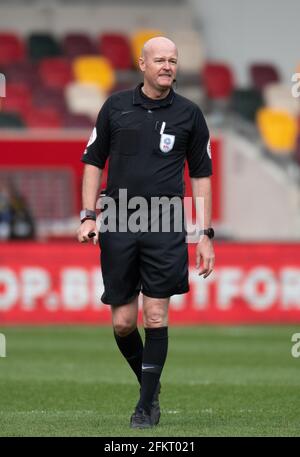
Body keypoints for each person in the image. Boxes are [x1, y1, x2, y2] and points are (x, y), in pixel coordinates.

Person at [77, 36, 215, 429]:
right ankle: (150, 388)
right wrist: (89, 215)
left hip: (165, 221)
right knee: (123, 323)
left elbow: (201, 175)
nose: (167, 66)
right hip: (119, 217)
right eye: (160, 60)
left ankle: (144, 408)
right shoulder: (115, 107)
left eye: (173, 60)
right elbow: (92, 162)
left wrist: (204, 232)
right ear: (142, 64)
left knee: (155, 316)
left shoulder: (190, 114)